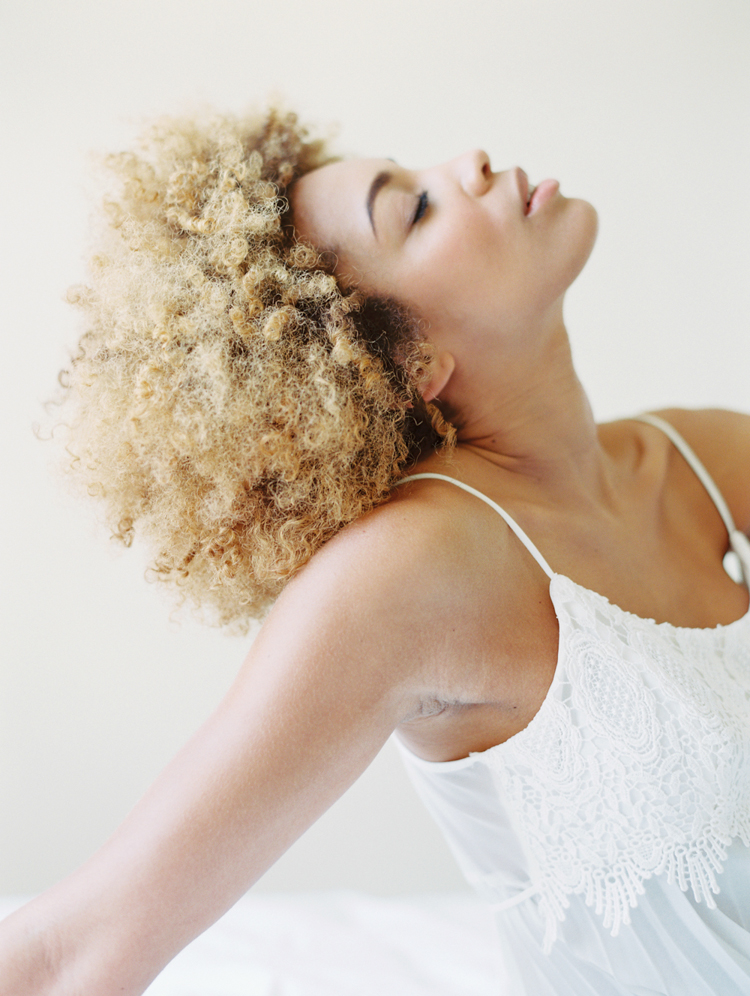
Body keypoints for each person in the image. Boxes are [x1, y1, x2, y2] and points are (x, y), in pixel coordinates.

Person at [1, 106, 749, 996]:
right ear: (412, 364)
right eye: (417, 210)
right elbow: (69, 951)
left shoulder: (709, 460)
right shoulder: (411, 571)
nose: (468, 159)